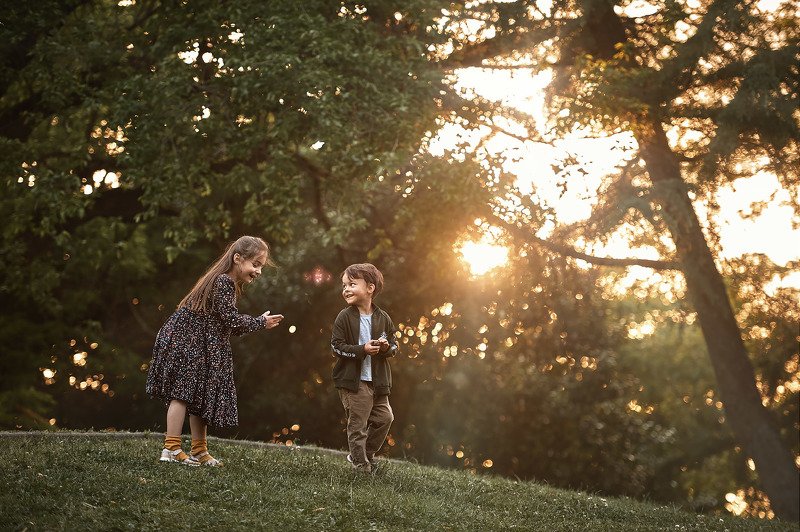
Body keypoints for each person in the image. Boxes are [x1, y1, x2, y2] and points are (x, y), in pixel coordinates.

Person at [146, 236, 283, 466]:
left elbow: (224, 324)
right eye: (255, 264)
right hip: (186, 340)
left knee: (200, 394)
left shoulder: (226, 283)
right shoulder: (223, 282)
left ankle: (199, 450)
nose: (258, 271)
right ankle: (171, 448)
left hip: (199, 342)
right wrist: (260, 322)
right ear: (238, 258)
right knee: (182, 393)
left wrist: (258, 323)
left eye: (261, 266)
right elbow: (231, 320)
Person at [331, 263, 398, 473]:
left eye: (352, 284)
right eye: (344, 286)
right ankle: (361, 467)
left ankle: (364, 454)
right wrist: (362, 350)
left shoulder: (383, 317)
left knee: (385, 418)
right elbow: (336, 347)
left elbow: (394, 344)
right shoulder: (344, 316)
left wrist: (386, 347)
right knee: (357, 425)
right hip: (354, 382)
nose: (346, 290)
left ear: (370, 288)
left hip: (378, 382)